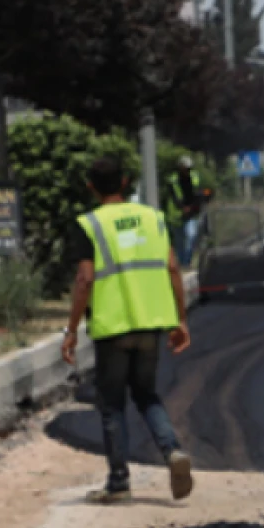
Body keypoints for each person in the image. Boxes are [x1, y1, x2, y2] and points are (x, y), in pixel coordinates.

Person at [61, 155, 195, 505]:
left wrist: (71, 330)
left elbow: (85, 279)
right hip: (151, 323)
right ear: (124, 183)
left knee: (112, 403)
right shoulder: (153, 218)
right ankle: (172, 452)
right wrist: (180, 320)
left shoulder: (89, 224)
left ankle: (119, 482)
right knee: (147, 394)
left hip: (113, 327)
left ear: (91, 187)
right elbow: (173, 268)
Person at [167, 155, 209, 265]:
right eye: (185, 168)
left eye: (189, 168)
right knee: (179, 241)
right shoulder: (173, 180)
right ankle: (181, 262)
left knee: (191, 236)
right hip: (176, 215)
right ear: (180, 168)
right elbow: (174, 196)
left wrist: (192, 207)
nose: (187, 171)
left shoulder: (195, 177)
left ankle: (186, 261)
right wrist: (182, 208)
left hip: (192, 214)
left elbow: (199, 194)